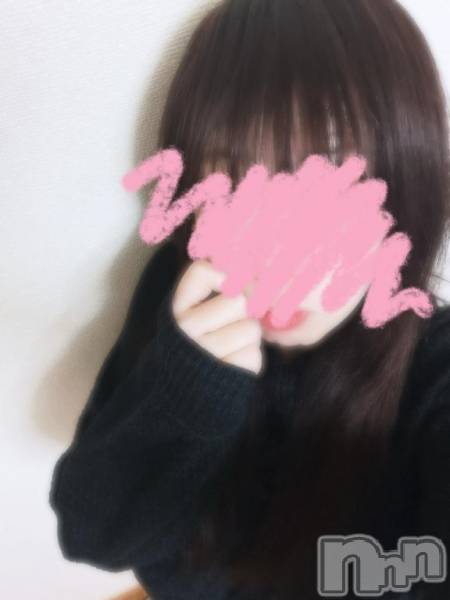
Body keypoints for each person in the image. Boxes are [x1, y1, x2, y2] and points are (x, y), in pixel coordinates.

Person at [49, 0, 450, 598]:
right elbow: (94, 536)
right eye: (230, 182)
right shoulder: (188, 297)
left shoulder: (432, 367)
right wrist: (188, 395)